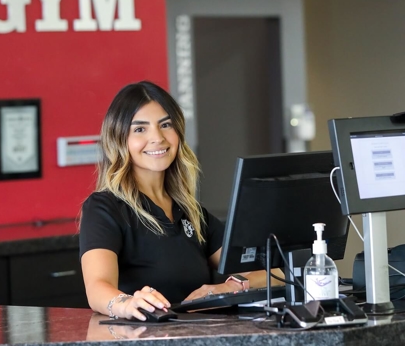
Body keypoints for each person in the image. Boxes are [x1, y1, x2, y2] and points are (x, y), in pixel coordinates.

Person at [79, 81, 272, 321]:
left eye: (165, 125)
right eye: (140, 129)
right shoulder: (104, 208)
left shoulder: (192, 213)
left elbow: (271, 272)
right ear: (119, 139)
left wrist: (230, 286)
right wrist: (126, 303)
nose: (157, 138)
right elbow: (97, 288)